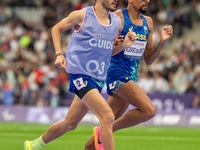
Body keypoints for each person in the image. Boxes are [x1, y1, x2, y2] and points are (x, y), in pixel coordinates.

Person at [24, 0, 137, 149]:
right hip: (80, 76)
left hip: (98, 79)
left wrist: (123, 45)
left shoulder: (115, 22)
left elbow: (107, 52)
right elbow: (56, 28)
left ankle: (33, 145)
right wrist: (59, 54)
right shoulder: (82, 15)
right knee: (108, 117)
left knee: (70, 124)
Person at [84, 0, 173, 149]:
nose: (148, 1)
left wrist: (162, 41)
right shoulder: (117, 18)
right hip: (116, 75)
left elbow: (149, 59)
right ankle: (105, 131)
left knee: (105, 123)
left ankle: (101, 134)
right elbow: (101, 47)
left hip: (130, 78)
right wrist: (117, 44)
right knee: (150, 111)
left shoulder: (148, 22)